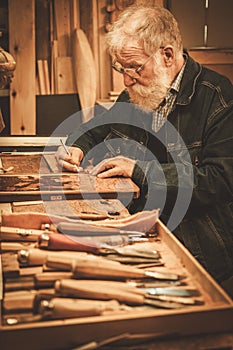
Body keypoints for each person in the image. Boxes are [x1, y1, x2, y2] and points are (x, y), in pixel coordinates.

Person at [55, 5, 233, 295]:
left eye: (135, 67)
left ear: (167, 55)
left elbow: (219, 180)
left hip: (200, 244)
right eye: (121, 68)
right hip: (141, 228)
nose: (126, 80)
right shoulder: (136, 92)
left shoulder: (219, 98)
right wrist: (76, 146)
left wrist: (140, 171)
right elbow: (97, 129)